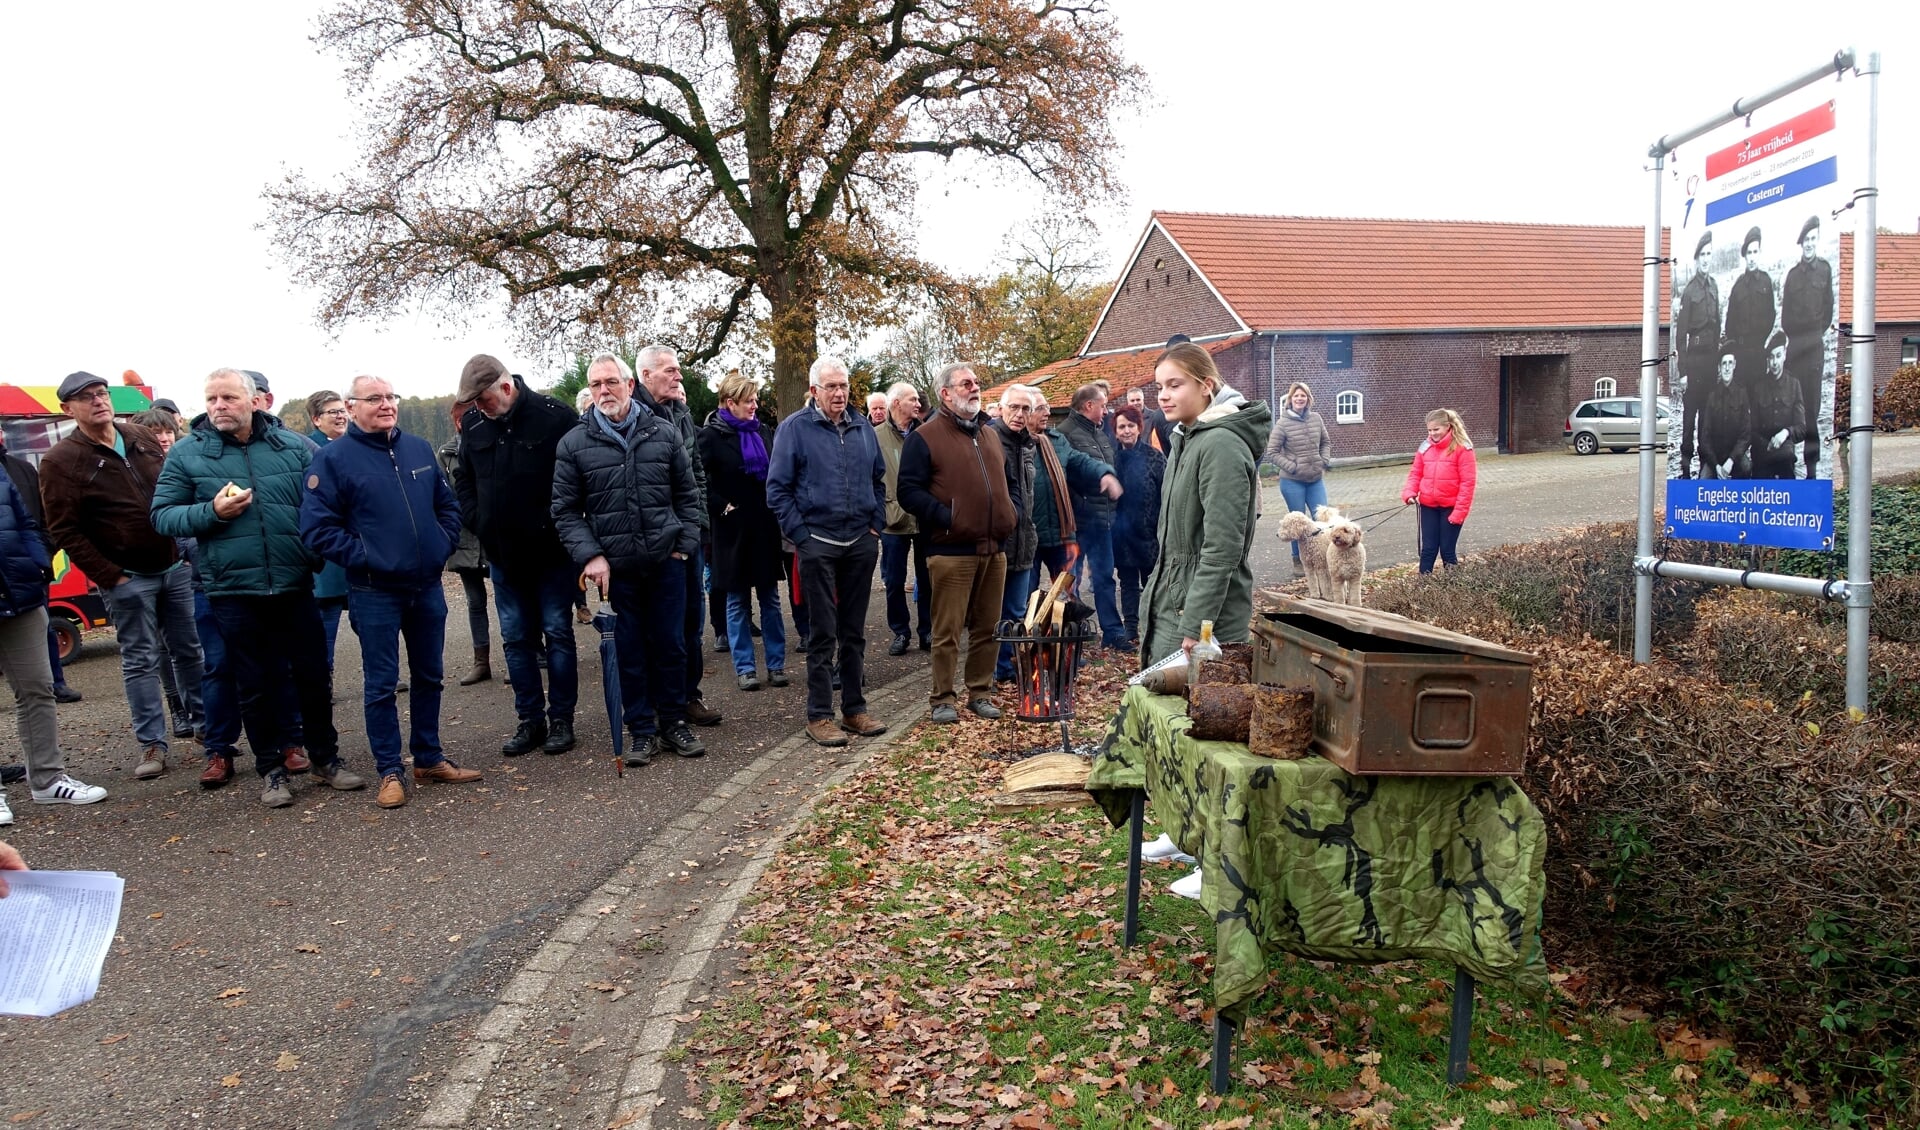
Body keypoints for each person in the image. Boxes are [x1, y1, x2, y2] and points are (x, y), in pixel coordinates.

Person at [151, 368, 364, 808]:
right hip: (232, 589)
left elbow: (325, 506)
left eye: (228, 397)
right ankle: (271, 770)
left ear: (254, 401)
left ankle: (326, 759)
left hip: (293, 582)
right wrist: (211, 511)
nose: (218, 406)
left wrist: (314, 555)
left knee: (311, 677)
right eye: (211, 399)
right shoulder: (188, 454)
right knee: (253, 683)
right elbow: (163, 516)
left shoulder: (293, 447)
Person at [302, 376, 480, 808]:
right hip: (373, 590)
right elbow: (315, 529)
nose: (386, 405)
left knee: (430, 676)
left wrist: (441, 543)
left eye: (390, 397)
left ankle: (428, 757)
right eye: (374, 399)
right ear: (352, 406)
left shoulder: (417, 449)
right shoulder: (333, 460)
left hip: (426, 586)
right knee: (381, 685)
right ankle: (389, 770)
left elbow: (447, 505)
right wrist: (368, 555)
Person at [40, 370, 204, 780]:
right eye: (87, 397)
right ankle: (153, 744)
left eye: (101, 393)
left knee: (189, 651)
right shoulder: (60, 461)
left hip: (173, 566)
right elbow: (63, 528)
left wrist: (184, 551)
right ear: (67, 409)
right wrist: (109, 575)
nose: (99, 401)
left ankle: (208, 730)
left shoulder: (140, 437)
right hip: (127, 577)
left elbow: (176, 490)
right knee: (140, 659)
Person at [554, 353, 706, 763]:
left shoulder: (662, 432)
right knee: (629, 650)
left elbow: (687, 495)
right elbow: (565, 510)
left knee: (672, 645)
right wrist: (591, 556)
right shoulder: (574, 443)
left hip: (665, 560)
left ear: (629, 385)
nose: (604, 391)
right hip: (615, 570)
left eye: (611, 382)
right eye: (597, 384)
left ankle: (674, 721)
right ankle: (641, 729)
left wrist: (682, 546)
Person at [457, 354, 581, 756]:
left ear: (506, 388)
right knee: (514, 638)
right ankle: (530, 720)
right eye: (473, 403)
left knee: (558, 634)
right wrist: (479, 520)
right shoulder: (474, 425)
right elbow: (463, 479)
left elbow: (578, 480)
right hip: (503, 555)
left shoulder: (555, 417)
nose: (478, 408)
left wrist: (561, 527)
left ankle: (562, 718)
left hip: (551, 553)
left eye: (483, 400)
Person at [765, 355, 889, 748]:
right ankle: (819, 715)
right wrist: (802, 537)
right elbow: (777, 490)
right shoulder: (794, 430)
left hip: (859, 543)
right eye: (831, 386)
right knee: (822, 633)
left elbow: (878, 480)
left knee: (854, 631)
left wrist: (875, 526)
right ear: (814, 390)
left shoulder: (863, 429)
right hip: (817, 543)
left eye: (844, 386)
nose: (839, 393)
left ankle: (854, 708)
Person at [897, 363, 1017, 723]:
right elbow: (908, 491)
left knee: (988, 627)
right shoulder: (925, 436)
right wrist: (950, 517)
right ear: (946, 393)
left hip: (994, 549)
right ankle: (943, 698)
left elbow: (1007, 484)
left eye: (977, 383)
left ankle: (979, 692)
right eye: (967, 383)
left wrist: (1010, 515)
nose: (975, 388)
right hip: (951, 551)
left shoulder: (990, 434)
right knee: (946, 631)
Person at [1139, 344, 1270, 663]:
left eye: (1175, 384)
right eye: (1159, 387)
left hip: (1203, 616)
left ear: (1206, 385)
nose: (1163, 396)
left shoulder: (1220, 445)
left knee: (1192, 710)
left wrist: (1197, 623)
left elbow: (1222, 548)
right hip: (1175, 601)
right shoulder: (1187, 438)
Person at [0, 457, 107, 821]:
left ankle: (46, 780)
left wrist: (38, 563)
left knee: (38, 688)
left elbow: (28, 520)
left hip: (20, 593)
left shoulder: (6, 468)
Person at [634, 345, 722, 728]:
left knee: (690, 620)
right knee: (656, 626)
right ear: (646, 375)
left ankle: (689, 695)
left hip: (688, 536)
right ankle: (657, 703)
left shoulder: (681, 413)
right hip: (650, 540)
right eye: (671, 371)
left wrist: (697, 528)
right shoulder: (632, 416)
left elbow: (696, 476)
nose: (679, 377)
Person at [699, 372, 790, 693]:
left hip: (764, 527)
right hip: (731, 531)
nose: (755, 405)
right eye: (748, 400)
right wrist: (722, 506)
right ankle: (746, 669)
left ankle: (776, 665)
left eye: (755, 399)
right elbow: (699, 481)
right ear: (729, 402)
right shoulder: (710, 437)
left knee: (770, 599)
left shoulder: (763, 431)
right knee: (736, 602)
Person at [1, 440, 81, 705]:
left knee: (43, 630)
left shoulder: (23, 469)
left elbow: (44, 518)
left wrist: (41, 560)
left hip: (28, 575)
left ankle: (55, 684)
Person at [1026, 390, 1120, 594]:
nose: (1047, 413)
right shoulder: (1013, 443)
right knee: (1026, 600)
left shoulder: (1056, 440)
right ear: (1025, 411)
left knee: (1067, 599)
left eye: (1047, 407)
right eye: (1041, 408)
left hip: (1060, 535)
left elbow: (1080, 461)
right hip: (1028, 537)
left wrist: (1103, 474)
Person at [1060, 384, 1127, 649]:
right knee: (1070, 582)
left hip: (1103, 523)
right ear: (1089, 405)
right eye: (1103, 405)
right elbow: (1065, 479)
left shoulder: (1101, 434)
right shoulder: (1064, 434)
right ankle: (1072, 637)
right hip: (1079, 524)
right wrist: (1083, 505)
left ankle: (1113, 632)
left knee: (1104, 577)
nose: (1106, 410)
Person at [874, 381, 930, 656]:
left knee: (927, 577)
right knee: (894, 581)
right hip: (893, 520)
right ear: (896, 403)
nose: (918, 404)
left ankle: (927, 631)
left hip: (924, 518)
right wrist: (878, 513)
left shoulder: (927, 433)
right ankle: (900, 632)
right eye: (913, 400)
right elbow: (869, 477)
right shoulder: (874, 436)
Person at [439, 402, 492, 685]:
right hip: (464, 539)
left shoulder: (492, 443)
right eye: (458, 419)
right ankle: (481, 661)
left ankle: (524, 653)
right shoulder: (446, 454)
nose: (462, 423)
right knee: (475, 601)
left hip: (495, 534)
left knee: (511, 598)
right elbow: (443, 498)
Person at [301, 390, 355, 665]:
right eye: (332, 412)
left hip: (359, 548)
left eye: (342, 410)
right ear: (316, 419)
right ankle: (325, 675)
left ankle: (383, 675)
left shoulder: (357, 446)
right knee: (327, 620)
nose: (340, 416)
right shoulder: (308, 450)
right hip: (329, 550)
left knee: (370, 620)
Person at [990, 386, 1039, 684]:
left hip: (1024, 542)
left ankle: (1007, 668)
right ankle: (991, 672)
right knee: (992, 613)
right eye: (1014, 408)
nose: (1019, 414)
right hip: (997, 543)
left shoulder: (1029, 444)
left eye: (1025, 409)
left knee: (1016, 611)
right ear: (1001, 408)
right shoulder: (989, 440)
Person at [1781, 215, 1834, 479]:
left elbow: (1829, 310)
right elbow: (1785, 318)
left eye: (1814, 238)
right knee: (1791, 404)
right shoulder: (1792, 276)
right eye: (1806, 240)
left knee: (1811, 408)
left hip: (1814, 346)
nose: (1810, 244)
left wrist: (1814, 333)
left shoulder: (1825, 270)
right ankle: (1788, 462)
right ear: (1801, 244)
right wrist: (1799, 334)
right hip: (1795, 346)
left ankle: (1811, 468)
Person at [1264, 381, 1333, 575]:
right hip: (1292, 481)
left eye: (1303, 395)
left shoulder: (1316, 418)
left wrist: (1323, 460)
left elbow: (1325, 442)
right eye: (1296, 396)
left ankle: (1325, 556)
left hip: (1315, 479)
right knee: (1298, 523)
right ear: (1290, 399)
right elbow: (1273, 451)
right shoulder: (1283, 423)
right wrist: (1292, 467)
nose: (1300, 399)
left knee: (1322, 518)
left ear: (1308, 399)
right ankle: (1299, 561)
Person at [1109, 405, 1164, 648]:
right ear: (1116, 431)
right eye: (1122, 426)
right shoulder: (1111, 459)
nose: (1127, 430)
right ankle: (1130, 627)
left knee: (1152, 582)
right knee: (1128, 583)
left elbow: (1165, 494)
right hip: (1122, 534)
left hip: (1150, 533)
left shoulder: (1155, 457)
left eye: (1131, 425)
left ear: (1140, 428)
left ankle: (1154, 626)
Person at [1401, 408, 1479, 574]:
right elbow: (1415, 473)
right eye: (1429, 430)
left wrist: (1459, 513)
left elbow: (1468, 483)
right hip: (1429, 505)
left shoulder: (1463, 448)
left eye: (1436, 430)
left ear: (1448, 426)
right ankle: (1423, 589)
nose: (1432, 433)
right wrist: (1409, 493)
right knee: (1428, 550)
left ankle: (1452, 589)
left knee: (1447, 550)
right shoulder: (1425, 447)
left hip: (1451, 508)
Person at [1674, 232, 1721, 479]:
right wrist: (1683, 372)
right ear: (1696, 259)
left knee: (1707, 416)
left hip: (1711, 361)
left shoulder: (1713, 285)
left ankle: (1705, 463)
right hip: (1694, 360)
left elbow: (1719, 324)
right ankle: (1684, 465)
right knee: (1689, 417)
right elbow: (1681, 335)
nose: (1706, 259)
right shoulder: (1690, 291)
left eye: (1709, 254)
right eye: (1702, 255)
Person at [1724, 227, 1776, 395]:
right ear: (1745, 256)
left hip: (1759, 353)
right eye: (1749, 253)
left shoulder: (1766, 283)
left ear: (1759, 253)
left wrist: (1761, 339)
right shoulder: (1738, 287)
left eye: (1755, 252)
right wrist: (1737, 348)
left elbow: (1771, 315)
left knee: (1759, 402)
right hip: (1742, 354)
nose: (1752, 257)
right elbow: (1729, 323)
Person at [1748, 331, 1805, 480]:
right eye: (1771, 357)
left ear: (1784, 355)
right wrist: (1766, 445)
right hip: (1762, 450)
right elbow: (1751, 429)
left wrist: (1785, 433)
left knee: (1787, 483)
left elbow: (1801, 428)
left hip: (1785, 449)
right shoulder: (1759, 387)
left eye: (1778, 356)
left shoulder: (1794, 385)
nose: (1774, 362)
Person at [1699, 346, 1751, 480]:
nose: (1727, 368)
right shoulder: (1712, 396)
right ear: (1719, 368)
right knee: (1703, 479)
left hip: (1735, 456)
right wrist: (1716, 466)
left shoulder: (1742, 394)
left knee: (1747, 468)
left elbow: (1745, 435)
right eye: (1723, 364)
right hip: (1715, 457)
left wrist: (1731, 460)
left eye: (1730, 363)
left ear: (1734, 365)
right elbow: (1705, 436)